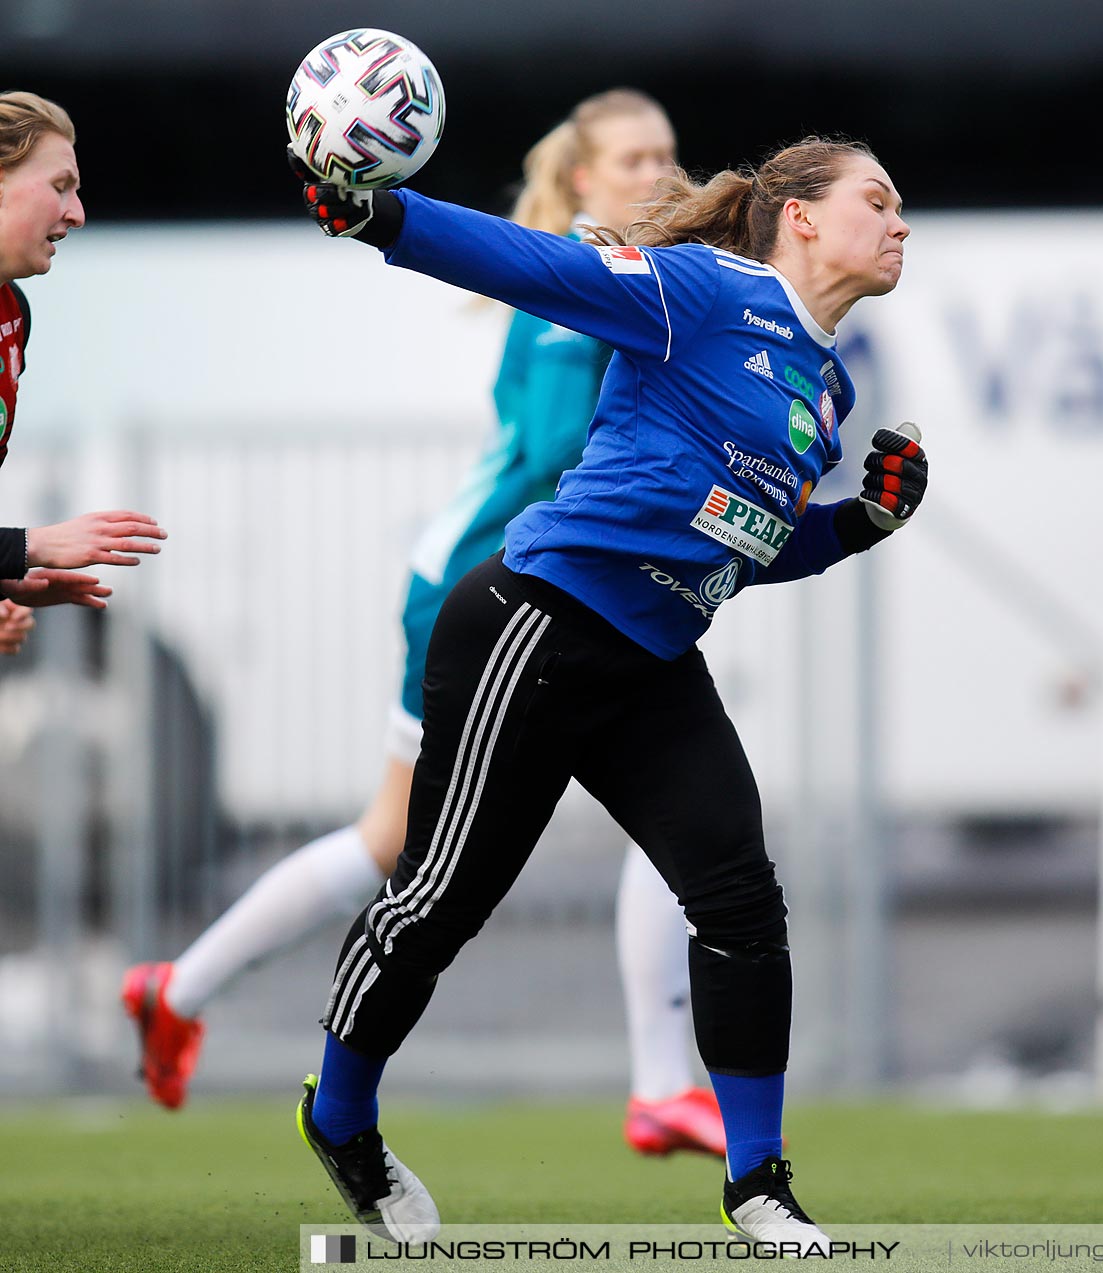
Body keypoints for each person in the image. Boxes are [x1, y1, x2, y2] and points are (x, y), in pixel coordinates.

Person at [287, 134, 922, 1247]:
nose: (900, 221)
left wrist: (857, 522)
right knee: (437, 905)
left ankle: (758, 1183)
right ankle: (340, 1120)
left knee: (739, 902)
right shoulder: (704, 291)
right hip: (537, 623)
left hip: (654, 664)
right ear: (804, 218)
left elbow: (752, 542)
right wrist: (385, 217)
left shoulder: (827, 386)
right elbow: (537, 269)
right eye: (878, 199)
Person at [121, 91, 727, 1155]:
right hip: (492, 584)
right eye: (634, 159)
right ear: (583, 180)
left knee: (400, 837)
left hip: (517, 580)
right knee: (660, 812)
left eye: (669, 156)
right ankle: (658, 1084)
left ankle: (178, 987)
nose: (658, 176)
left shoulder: (626, 280)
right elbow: (548, 458)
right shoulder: (574, 286)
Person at [0, 91, 167, 638]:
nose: (78, 213)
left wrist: (6, 578)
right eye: (59, 187)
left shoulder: (13, 312)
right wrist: (30, 545)